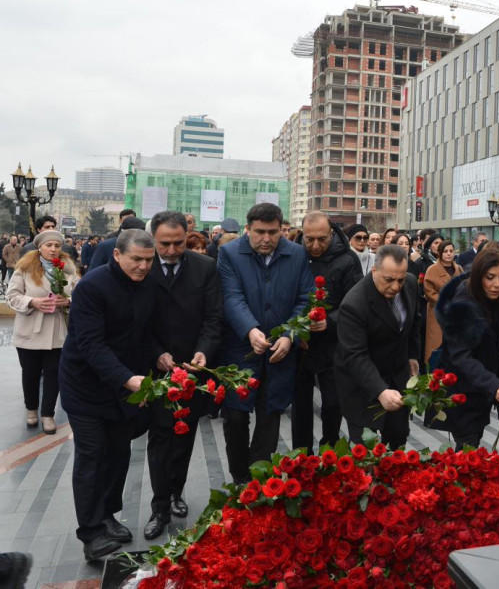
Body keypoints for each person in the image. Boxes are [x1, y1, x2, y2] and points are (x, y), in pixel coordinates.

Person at [59, 229, 157, 561]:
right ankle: (90, 534)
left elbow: (144, 334)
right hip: (85, 387)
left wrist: (155, 361)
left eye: (149, 260)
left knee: (118, 452)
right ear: (117, 254)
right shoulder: (92, 286)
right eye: (136, 259)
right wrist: (128, 379)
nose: (143, 267)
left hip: (123, 386)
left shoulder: (148, 285)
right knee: (91, 455)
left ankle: (106, 514)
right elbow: (91, 344)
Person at [217, 203, 312, 484]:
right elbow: (231, 297)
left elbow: (305, 299)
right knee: (235, 417)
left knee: (270, 415)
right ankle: (239, 477)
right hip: (240, 351)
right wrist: (250, 329)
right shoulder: (229, 253)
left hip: (279, 352)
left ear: (281, 229)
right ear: (247, 229)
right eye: (260, 232)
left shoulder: (296, 254)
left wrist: (289, 335)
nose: (267, 239)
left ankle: (258, 482)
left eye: (273, 232)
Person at [143, 212, 223, 540]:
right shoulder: (142, 265)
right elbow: (136, 320)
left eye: (179, 243)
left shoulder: (204, 267)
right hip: (155, 368)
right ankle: (159, 505)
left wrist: (204, 351)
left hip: (192, 368)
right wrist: (155, 352)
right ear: (153, 238)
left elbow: (214, 317)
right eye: (165, 244)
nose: (173, 250)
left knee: (184, 434)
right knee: (160, 437)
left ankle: (176, 491)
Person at [334, 244, 420, 449]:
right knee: (365, 449)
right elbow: (355, 355)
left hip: (396, 376)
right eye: (389, 280)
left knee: (398, 439)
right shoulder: (354, 304)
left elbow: (415, 320)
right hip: (361, 384)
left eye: (400, 279)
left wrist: (412, 355)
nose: (396, 286)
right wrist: (380, 390)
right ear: (374, 271)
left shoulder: (410, 283)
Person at [291, 211, 363, 451]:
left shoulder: (348, 259)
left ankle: (329, 449)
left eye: (321, 239)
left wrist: (330, 321)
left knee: (333, 403)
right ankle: (302, 455)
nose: (315, 245)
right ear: (302, 234)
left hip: (333, 345)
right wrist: (296, 330)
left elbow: (356, 303)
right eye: (309, 239)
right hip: (301, 344)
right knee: (300, 406)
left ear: (331, 233)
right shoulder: (293, 256)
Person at [434, 248, 499, 449]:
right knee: (467, 451)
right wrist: (494, 385)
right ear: (479, 276)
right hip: (462, 392)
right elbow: (461, 356)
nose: (497, 284)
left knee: (471, 447)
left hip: (481, 390)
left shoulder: (495, 299)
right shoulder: (464, 302)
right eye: (490, 277)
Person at [7, 230, 78, 434]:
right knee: (30, 373)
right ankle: (31, 410)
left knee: (54, 374)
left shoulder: (68, 269)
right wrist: (33, 301)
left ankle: (48, 414)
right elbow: (12, 296)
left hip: (57, 331)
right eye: (49, 245)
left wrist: (68, 301)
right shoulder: (25, 268)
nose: (53, 249)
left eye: (57, 246)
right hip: (30, 330)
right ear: (40, 247)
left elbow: (81, 293)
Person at [423, 239, 462, 366]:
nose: (449, 254)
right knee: (436, 347)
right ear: (439, 253)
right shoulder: (432, 269)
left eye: (451, 251)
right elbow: (429, 291)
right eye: (445, 251)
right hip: (438, 313)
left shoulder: (459, 269)